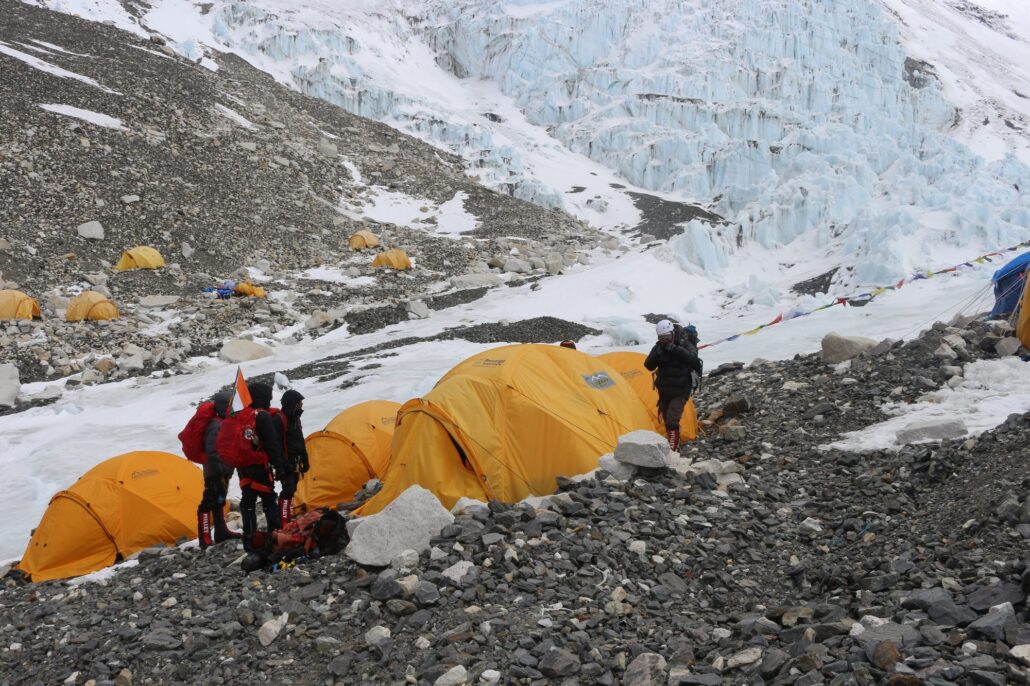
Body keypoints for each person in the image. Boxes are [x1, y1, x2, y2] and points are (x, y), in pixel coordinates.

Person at [239, 382, 286, 550]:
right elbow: (272, 445)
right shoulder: (263, 416)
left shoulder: (241, 415)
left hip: (243, 467)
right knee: (268, 499)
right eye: (268, 397)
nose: (270, 400)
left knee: (248, 501)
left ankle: (249, 540)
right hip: (260, 465)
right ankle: (275, 537)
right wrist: (279, 467)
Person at [644, 319, 702, 452]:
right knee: (667, 421)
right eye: (662, 338)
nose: (665, 340)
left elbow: (693, 359)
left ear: (673, 333)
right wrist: (658, 353)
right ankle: (675, 442)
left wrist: (676, 349)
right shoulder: (659, 347)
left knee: (672, 421)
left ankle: (672, 451)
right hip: (664, 391)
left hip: (681, 389)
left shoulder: (684, 343)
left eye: (667, 337)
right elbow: (648, 365)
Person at [197, 391, 242, 548]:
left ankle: (221, 532)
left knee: (219, 502)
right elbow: (212, 451)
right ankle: (204, 538)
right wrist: (219, 472)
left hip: (223, 471)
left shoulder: (222, 422)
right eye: (231, 405)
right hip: (215, 472)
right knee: (207, 503)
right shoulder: (215, 425)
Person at [276, 390, 310, 525]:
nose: (302, 404)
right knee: (288, 489)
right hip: (287, 462)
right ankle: (284, 521)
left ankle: (287, 517)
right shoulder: (279, 419)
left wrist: (305, 459)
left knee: (292, 488)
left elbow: (299, 440)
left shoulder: (295, 418)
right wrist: (283, 464)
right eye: (300, 402)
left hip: (295, 460)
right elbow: (276, 445)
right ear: (294, 404)